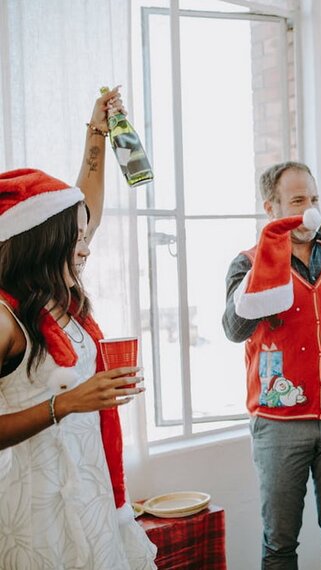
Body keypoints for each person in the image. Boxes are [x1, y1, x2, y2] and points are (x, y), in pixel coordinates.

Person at [0, 89, 157, 569]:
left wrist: (98, 134)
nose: (86, 247)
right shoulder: (4, 317)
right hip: (38, 507)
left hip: (90, 489)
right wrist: (68, 402)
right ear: (42, 245)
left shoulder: (57, 299)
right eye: (76, 238)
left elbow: (84, 202)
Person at [222, 161, 321, 570]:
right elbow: (234, 330)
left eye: (314, 199)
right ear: (271, 208)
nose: (309, 210)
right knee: (279, 544)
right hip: (278, 425)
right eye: (297, 201)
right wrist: (264, 267)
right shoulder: (247, 264)